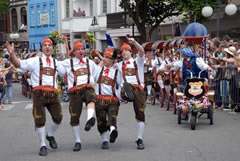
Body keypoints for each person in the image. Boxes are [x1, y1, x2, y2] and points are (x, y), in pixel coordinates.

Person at [6, 37, 63, 156]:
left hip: (52, 94)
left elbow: (68, 71)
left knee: (58, 117)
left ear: (53, 48)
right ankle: (43, 144)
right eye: (45, 45)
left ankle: (50, 135)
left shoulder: (56, 63)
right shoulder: (35, 60)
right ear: (42, 47)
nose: (47, 47)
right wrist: (12, 54)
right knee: (40, 119)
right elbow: (19, 64)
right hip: (39, 93)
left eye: (50, 45)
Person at [58, 40, 98, 152]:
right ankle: (78, 141)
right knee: (74, 116)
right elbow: (59, 70)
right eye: (78, 49)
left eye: (82, 49)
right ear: (74, 52)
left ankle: (90, 118)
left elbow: (96, 73)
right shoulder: (68, 62)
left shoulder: (90, 62)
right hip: (75, 91)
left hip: (87, 87)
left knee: (91, 98)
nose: (81, 51)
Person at [117, 37, 146, 150]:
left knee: (140, 114)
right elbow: (118, 81)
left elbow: (142, 51)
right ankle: (125, 95)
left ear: (130, 52)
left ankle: (139, 138)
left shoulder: (137, 61)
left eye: (126, 50)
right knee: (124, 85)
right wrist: (119, 95)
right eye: (122, 51)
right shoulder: (119, 65)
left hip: (138, 88)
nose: (124, 52)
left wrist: (134, 43)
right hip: (126, 88)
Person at [94, 48, 121, 149]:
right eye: (104, 56)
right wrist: (98, 66)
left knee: (112, 116)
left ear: (113, 60)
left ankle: (113, 130)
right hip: (99, 98)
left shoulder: (117, 71)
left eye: (107, 57)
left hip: (112, 99)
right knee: (101, 120)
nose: (104, 59)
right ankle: (104, 140)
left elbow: (121, 84)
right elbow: (93, 78)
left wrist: (123, 96)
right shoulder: (99, 68)